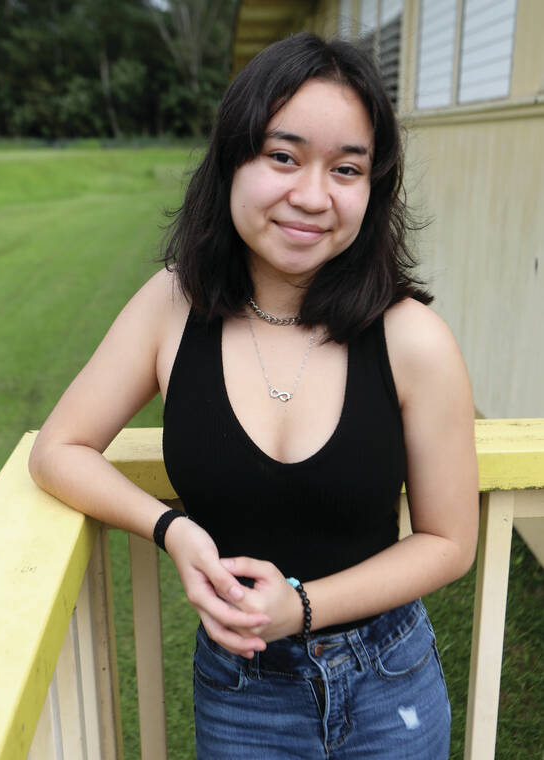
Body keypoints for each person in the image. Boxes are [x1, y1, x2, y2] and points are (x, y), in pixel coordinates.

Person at [29, 32, 479, 759]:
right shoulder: (172, 307)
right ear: (232, 161)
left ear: (372, 188)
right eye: (282, 156)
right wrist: (173, 531)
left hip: (389, 681)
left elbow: (449, 542)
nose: (312, 196)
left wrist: (300, 607)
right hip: (243, 691)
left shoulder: (412, 338)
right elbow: (58, 449)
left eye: (346, 169)